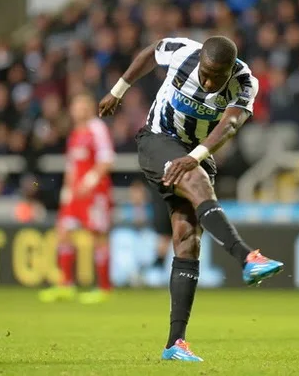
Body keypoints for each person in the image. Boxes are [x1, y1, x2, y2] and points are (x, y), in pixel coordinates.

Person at [99, 35, 284, 361]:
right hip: (157, 140)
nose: (210, 81)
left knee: (187, 238)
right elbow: (149, 54)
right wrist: (118, 91)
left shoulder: (245, 82)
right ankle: (246, 258)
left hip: (196, 152)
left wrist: (195, 155)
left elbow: (229, 125)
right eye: (205, 73)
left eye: (218, 76)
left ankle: (175, 344)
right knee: (197, 182)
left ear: (230, 70)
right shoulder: (183, 52)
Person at [39, 93, 115, 304]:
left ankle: (104, 288)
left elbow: (107, 160)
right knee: (63, 232)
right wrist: (67, 190)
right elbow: (72, 166)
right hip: (75, 194)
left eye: (83, 105)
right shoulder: (75, 133)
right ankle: (66, 285)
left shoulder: (96, 129)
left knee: (98, 235)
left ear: (90, 108)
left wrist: (89, 181)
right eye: (76, 105)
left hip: (94, 192)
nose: (78, 109)